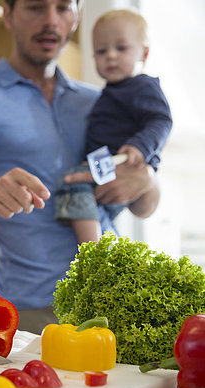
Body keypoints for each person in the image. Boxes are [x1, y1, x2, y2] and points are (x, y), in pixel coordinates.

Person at [0, 0, 161, 334]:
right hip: (34, 311)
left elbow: (146, 206)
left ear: (77, 16)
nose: (51, 21)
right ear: (8, 15)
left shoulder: (100, 100)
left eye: (63, 7)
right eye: (36, 7)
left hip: (115, 299)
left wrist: (146, 181)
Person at [54, 9, 172, 244]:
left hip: (121, 164)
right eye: (101, 51)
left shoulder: (143, 87)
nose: (110, 56)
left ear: (144, 53)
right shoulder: (108, 93)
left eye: (121, 48)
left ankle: (94, 251)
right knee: (95, 206)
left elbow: (161, 120)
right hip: (102, 167)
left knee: (71, 183)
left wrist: (140, 147)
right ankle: (108, 245)